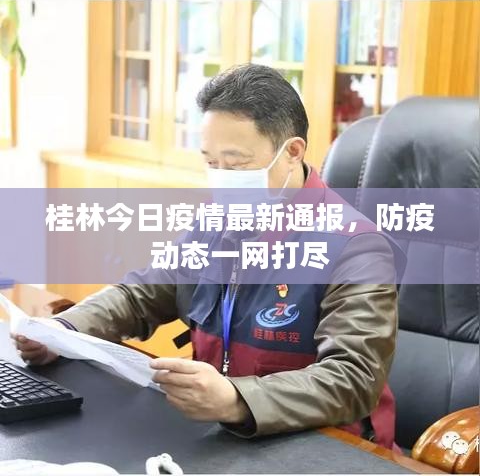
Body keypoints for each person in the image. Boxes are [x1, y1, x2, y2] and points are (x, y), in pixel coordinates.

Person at [13, 64, 402, 449]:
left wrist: (236, 399)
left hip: (320, 445)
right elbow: (142, 294)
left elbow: (353, 378)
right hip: (221, 433)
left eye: (235, 164)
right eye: (211, 163)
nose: (222, 177)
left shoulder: (356, 246)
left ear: (292, 152)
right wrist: (61, 333)